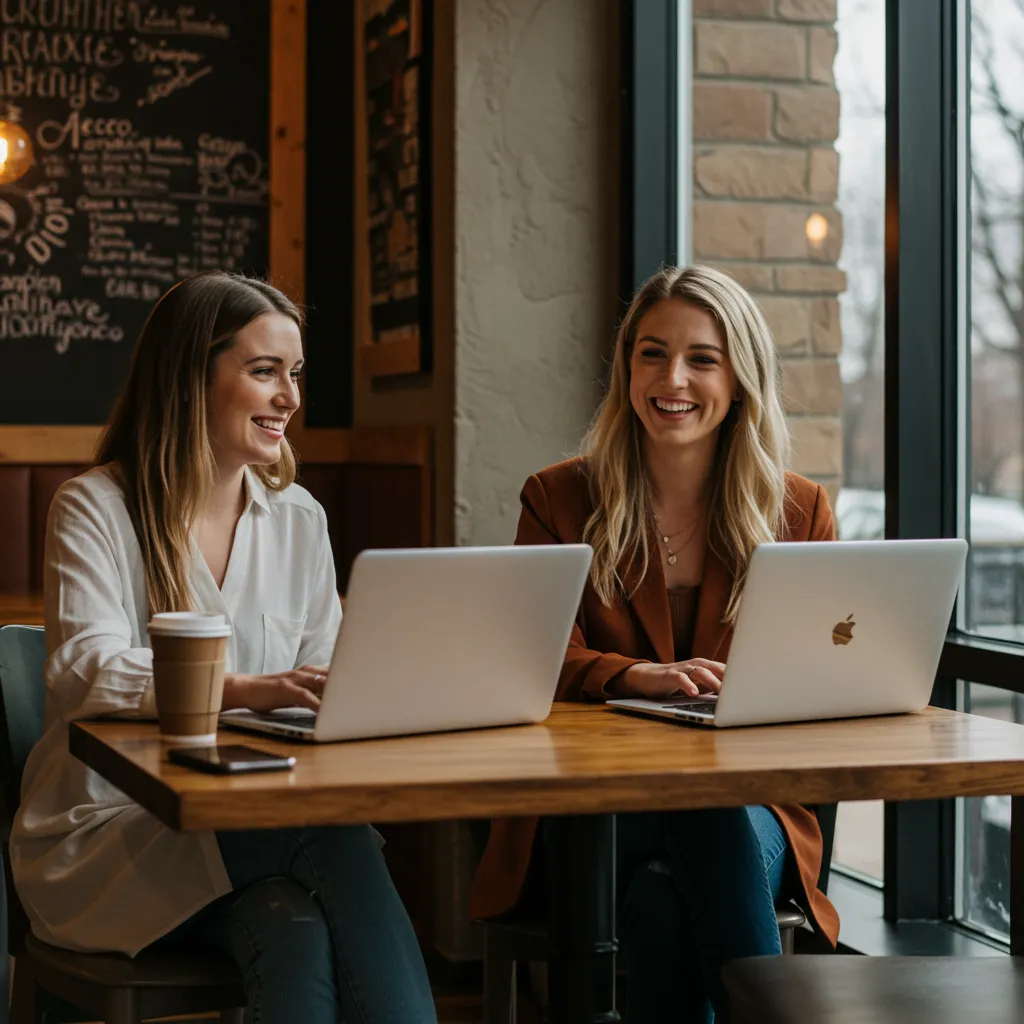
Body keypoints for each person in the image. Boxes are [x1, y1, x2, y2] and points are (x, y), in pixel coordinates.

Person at [11, 272, 437, 1024]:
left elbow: (323, 677)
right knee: (332, 834)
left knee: (293, 928)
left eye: (295, 374)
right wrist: (244, 689)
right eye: (264, 371)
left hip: (246, 824)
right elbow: (85, 670)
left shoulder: (299, 518)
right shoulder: (95, 508)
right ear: (188, 378)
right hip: (112, 833)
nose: (290, 399)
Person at [469, 265, 839, 1023]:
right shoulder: (558, 497)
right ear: (625, 368)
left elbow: (827, 673)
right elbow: (527, 657)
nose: (673, 378)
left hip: (751, 809)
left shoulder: (800, 509)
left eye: (702, 358)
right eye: (651, 353)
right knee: (695, 825)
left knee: (672, 884)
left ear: (740, 377)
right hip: (589, 814)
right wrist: (635, 675)